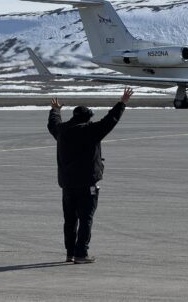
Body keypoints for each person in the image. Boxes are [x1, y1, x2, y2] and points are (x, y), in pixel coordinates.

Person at [47, 88, 133, 264]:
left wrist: (55, 110)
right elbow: (110, 120)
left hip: (67, 184)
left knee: (70, 220)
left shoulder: (62, 131)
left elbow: (53, 124)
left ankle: (70, 253)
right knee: (86, 218)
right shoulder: (91, 130)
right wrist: (122, 103)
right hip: (87, 184)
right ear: (87, 118)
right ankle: (81, 253)